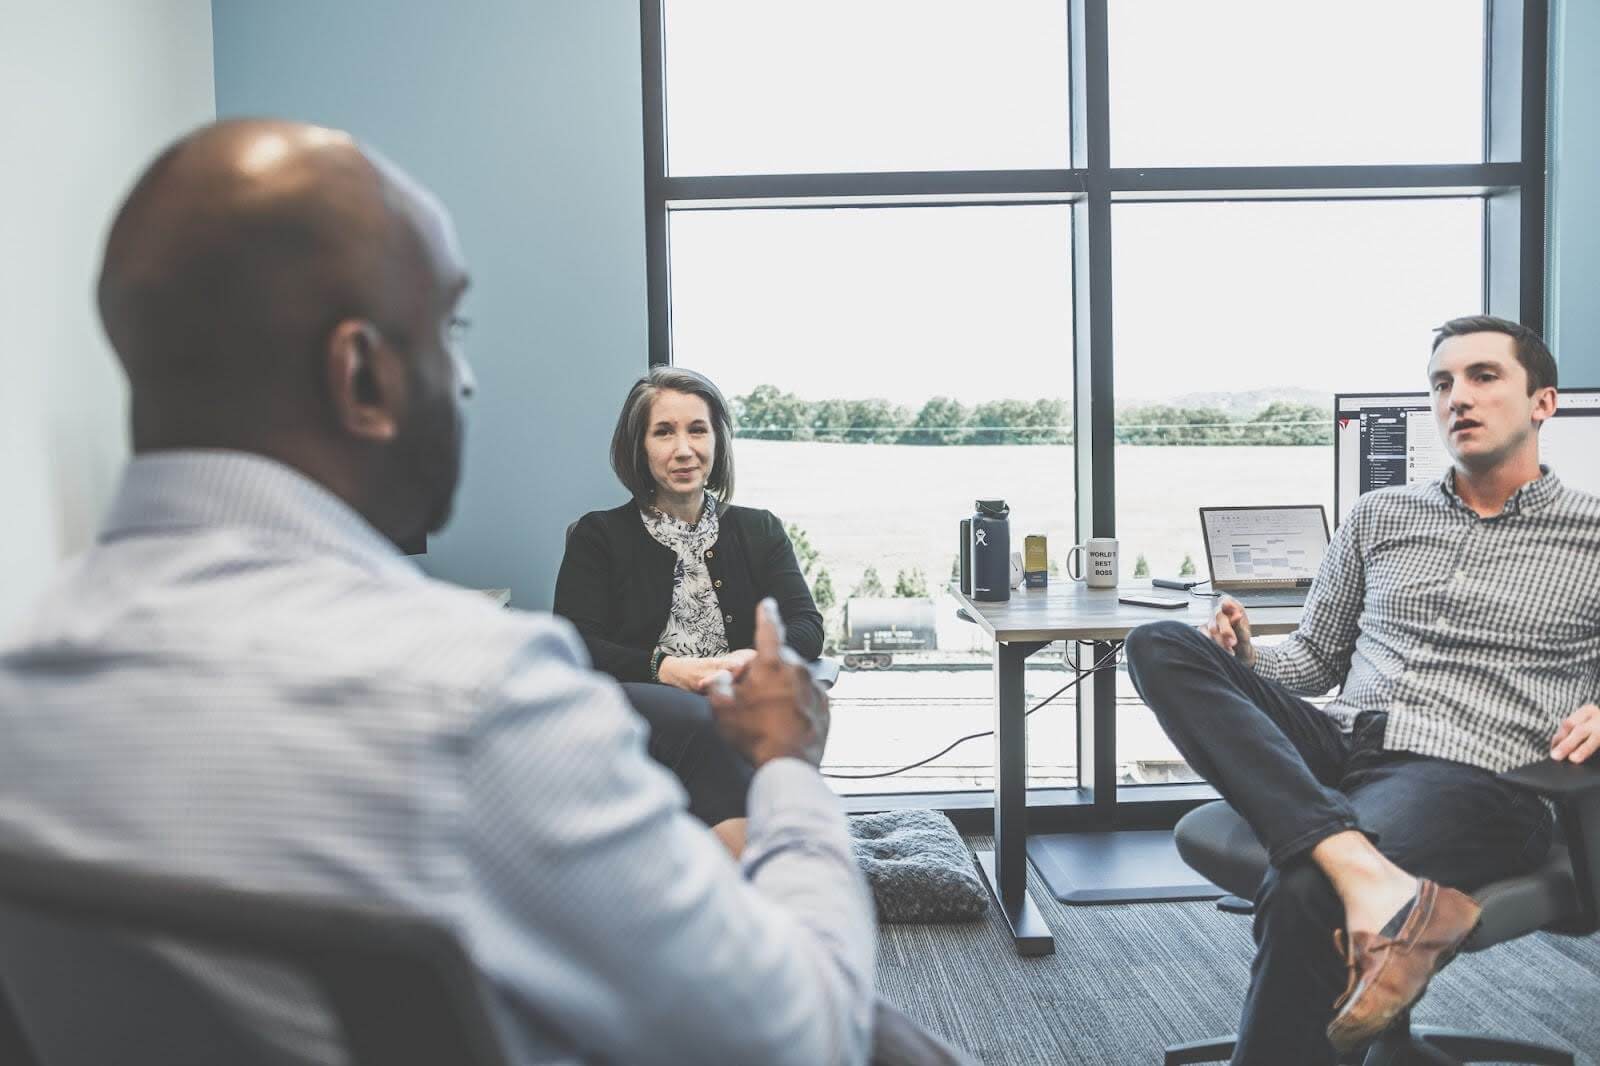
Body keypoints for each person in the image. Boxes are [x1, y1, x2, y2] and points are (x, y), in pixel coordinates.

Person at [0, 118, 905, 1065]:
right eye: (449, 329)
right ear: (362, 374)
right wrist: (794, 770)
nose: (463, 379)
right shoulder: (478, 700)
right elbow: (795, 1035)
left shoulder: (30, 677)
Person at [1123, 314, 1600, 1065]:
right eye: (1442, 384)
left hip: (1475, 774)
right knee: (1158, 643)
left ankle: (1342, 870)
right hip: (1342, 743)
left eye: (1483, 377)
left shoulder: (1594, 534)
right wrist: (1246, 657)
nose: (1458, 400)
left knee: (1308, 891)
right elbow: (1313, 658)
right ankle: (1364, 869)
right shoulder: (1380, 515)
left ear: (1544, 403)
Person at [554, 366, 826, 854]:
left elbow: (807, 627)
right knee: (705, 722)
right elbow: (575, 645)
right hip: (640, 712)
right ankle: (763, 876)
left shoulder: (759, 529)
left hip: (738, 698)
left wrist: (748, 661)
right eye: (664, 432)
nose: (684, 449)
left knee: (739, 724)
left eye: (697, 430)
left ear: (717, 441)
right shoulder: (600, 536)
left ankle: (736, 882)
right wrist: (668, 669)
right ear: (639, 447)